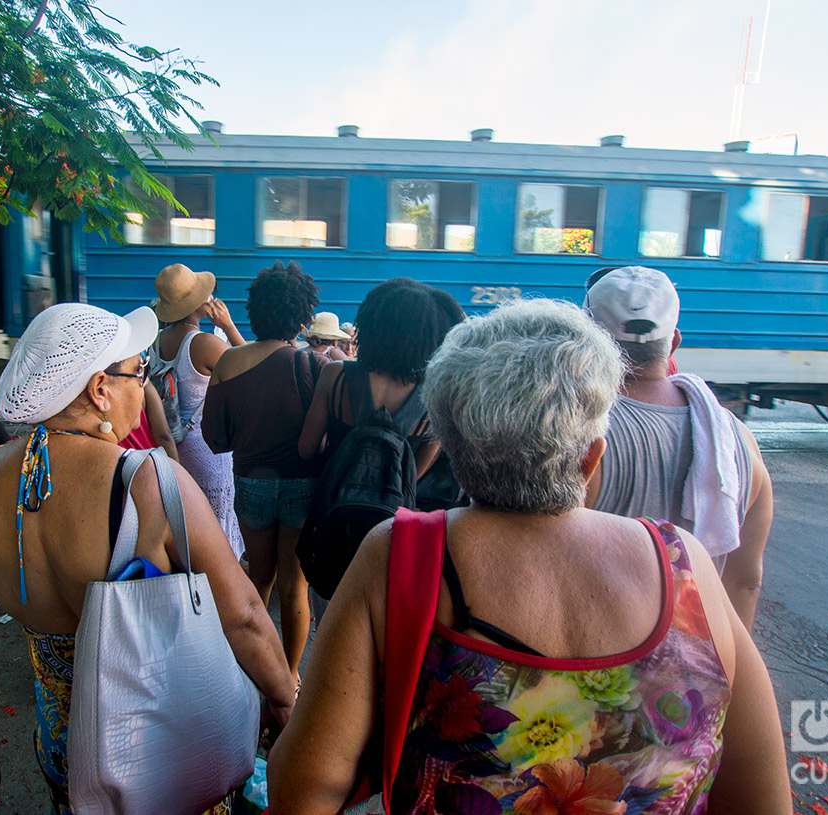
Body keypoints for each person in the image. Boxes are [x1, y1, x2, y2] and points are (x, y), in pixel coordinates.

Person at [268, 298, 791, 815]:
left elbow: (304, 790)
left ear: (455, 447)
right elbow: (760, 794)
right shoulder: (685, 565)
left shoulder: (399, 552)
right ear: (591, 458)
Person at [0, 303, 295, 815]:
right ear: (99, 389)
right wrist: (284, 696)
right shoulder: (148, 481)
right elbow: (244, 616)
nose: (145, 385)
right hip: (158, 747)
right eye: (139, 372)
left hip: (66, 746)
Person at [583, 266, 773, 630]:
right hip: (691, 673)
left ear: (589, 338)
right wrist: (725, 672)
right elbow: (744, 582)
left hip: (597, 664)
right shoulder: (737, 439)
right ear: (674, 342)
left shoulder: (577, 432)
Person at [203, 261, 328, 684]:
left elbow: (215, 440)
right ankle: (290, 679)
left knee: (259, 580)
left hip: (251, 484)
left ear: (254, 309)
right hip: (303, 487)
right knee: (296, 588)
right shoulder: (313, 365)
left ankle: (254, 675)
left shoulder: (228, 362)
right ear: (302, 314)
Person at [298, 277, 464, 479]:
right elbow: (413, 477)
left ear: (371, 326)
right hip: (396, 509)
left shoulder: (335, 375)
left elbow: (306, 450)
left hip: (331, 503)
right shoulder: (434, 396)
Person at [153, 263, 247, 559]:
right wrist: (229, 326)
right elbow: (251, 370)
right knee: (217, 535)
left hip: (170, 450)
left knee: (186, 527)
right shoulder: (204, 343)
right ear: (200, 303)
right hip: (207, 452)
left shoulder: (156, 343)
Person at [118, 379, 180, 461]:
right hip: (155, 462)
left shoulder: (100, 403)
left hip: (124, 466)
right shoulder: (142, 382)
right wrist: (175, 470)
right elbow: (164, 435)